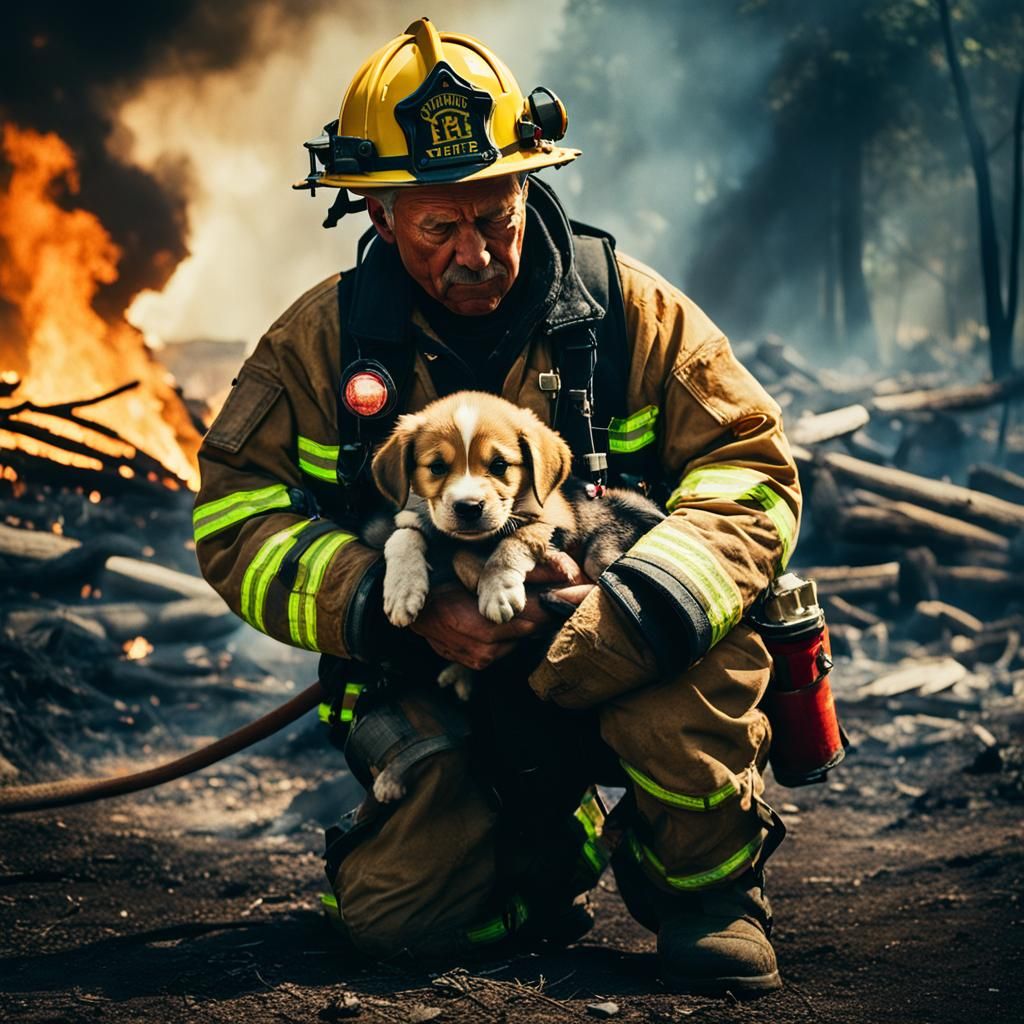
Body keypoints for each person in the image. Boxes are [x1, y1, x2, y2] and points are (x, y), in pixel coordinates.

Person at [192, 18, 801, 998]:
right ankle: (545, 856)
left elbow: (751, 467)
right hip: (440, 673)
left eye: (497, 215)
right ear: (380, 215)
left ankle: (703, 895)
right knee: (393, 925)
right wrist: (382, 602)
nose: (475, 253)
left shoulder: (630, 316)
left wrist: (644, 604)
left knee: (693, 678)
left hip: (624, 651)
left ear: (529, 185)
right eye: (439, 225)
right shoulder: (321, 346)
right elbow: (234, 516)